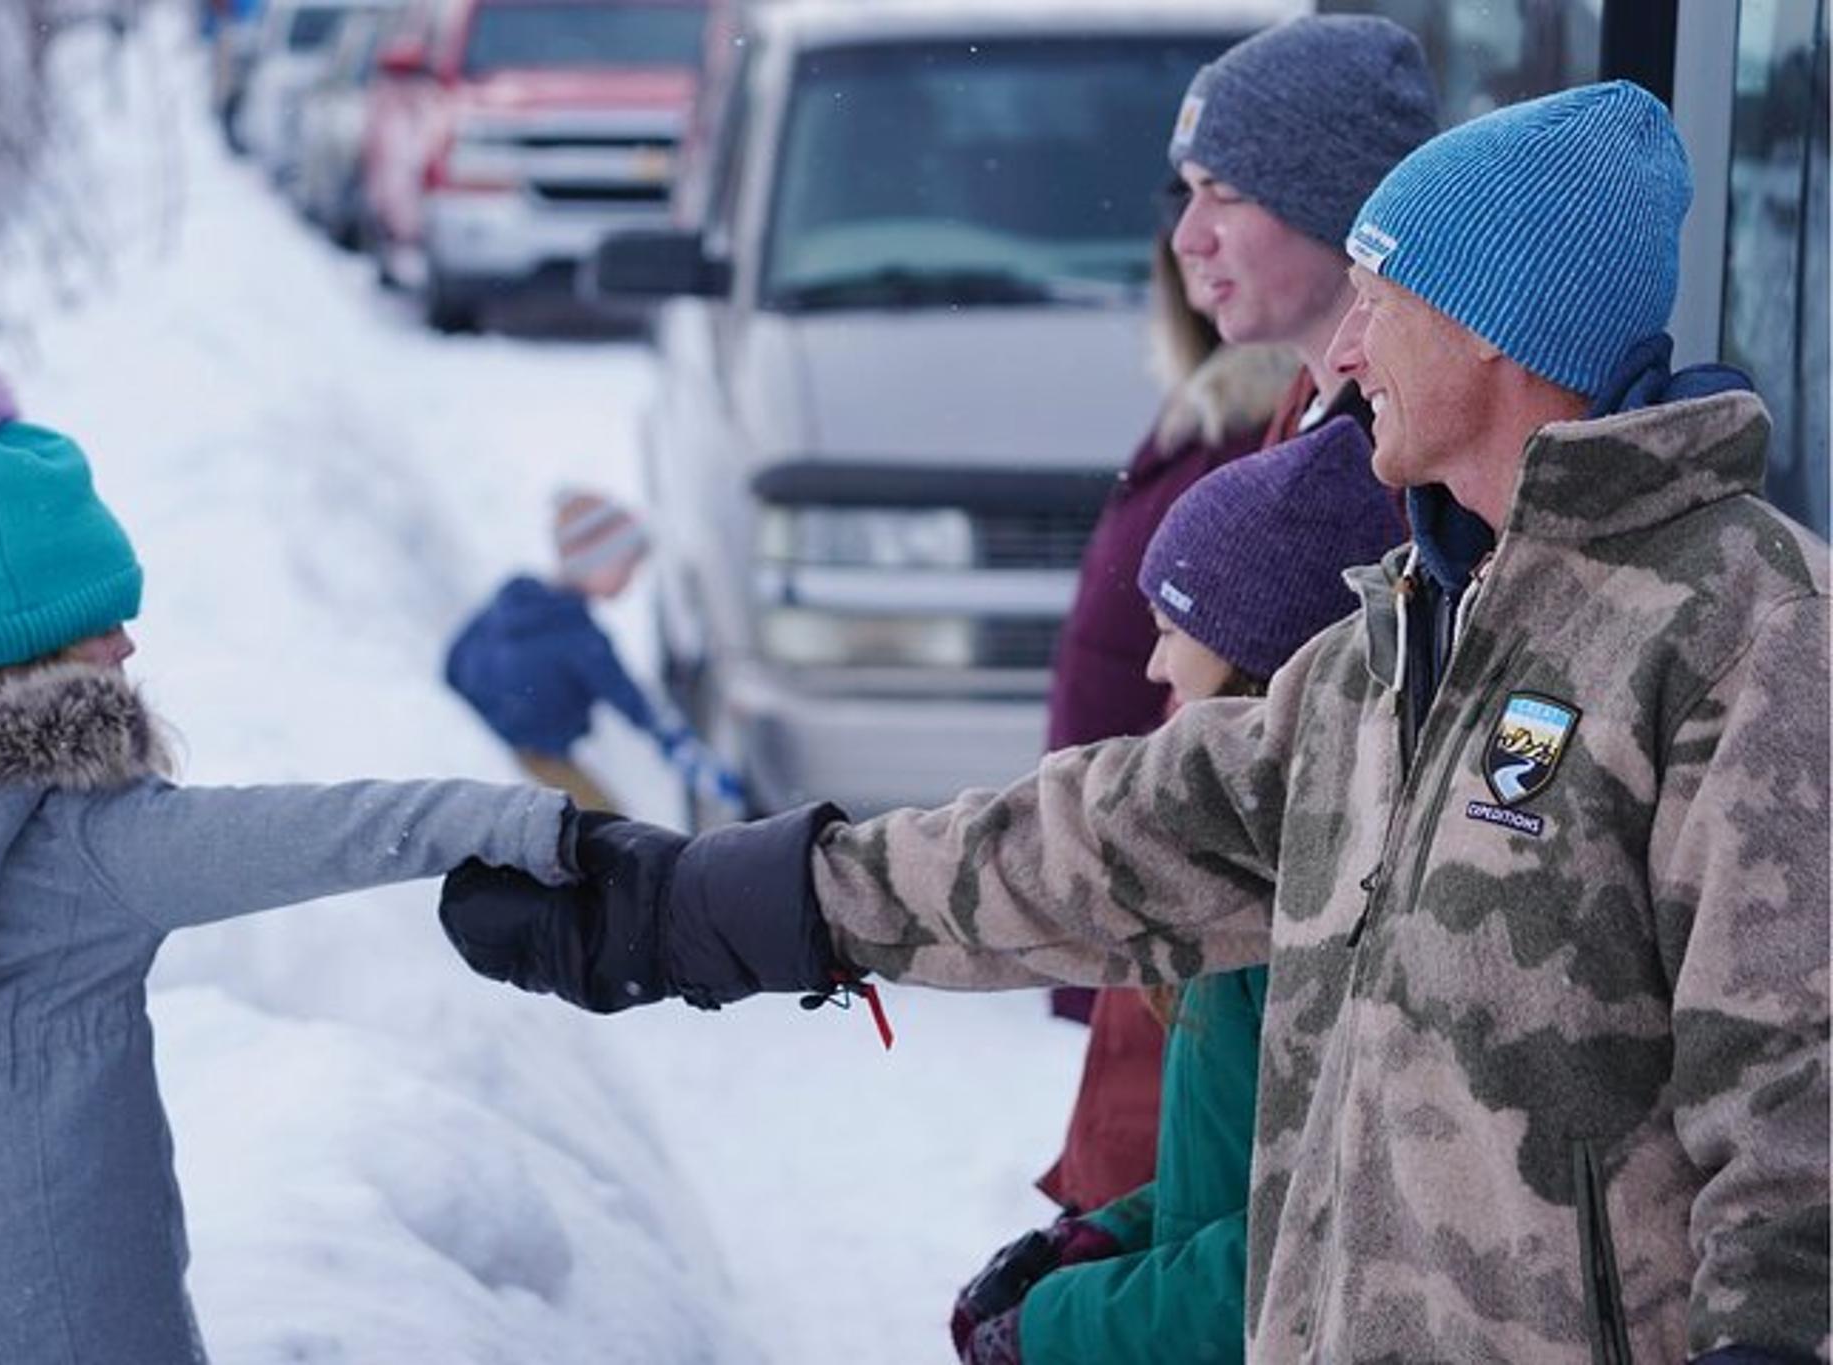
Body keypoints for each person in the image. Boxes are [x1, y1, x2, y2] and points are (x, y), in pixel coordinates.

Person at [442, 82, 1831, 1363]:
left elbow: (1795, 1090)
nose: (1343, 355)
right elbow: (1107, 841)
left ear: (1491, 326)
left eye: (1377, 298)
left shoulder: (1741, 627)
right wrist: (695, 907)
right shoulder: (1402, 641)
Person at [0, 351, 576, 1365]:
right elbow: (326, 832)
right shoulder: (87, 837)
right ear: (25, 637)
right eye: (95, 619)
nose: (124, 642)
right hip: (66, 1299)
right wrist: (521, 825)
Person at [1037, 12, 1435, 1212]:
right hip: (1179, 1037)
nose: (1185, 237)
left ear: (1333, 207)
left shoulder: (1388, 477)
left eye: (1227, 193)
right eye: (1184, 192)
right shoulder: (1299, 424)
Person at [954, 416, 1404, 1365]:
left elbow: (1292, 1252)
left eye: (1170, 629)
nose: (1154, 666)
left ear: (1255, 648)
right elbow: (1232, 1172)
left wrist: (1057, 1324)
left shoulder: (1297, 905)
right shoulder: (1245, 851)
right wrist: (1103, 1236)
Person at [442, 488, 743, 815]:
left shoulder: (514, 599)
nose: (630, 578)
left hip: (500, 733)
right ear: (595, 563)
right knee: (606, 831)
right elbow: (637, 706)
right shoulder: (581, 639)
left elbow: (453, 662)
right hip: (540, 756)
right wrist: (688, 755)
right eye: (626, 566)